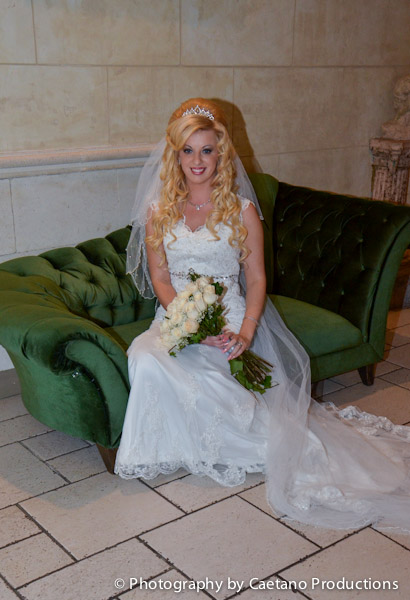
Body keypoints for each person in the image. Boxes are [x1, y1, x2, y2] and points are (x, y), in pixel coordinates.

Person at [115, 98, 410, 533]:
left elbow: (255, 279)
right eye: (188, 150)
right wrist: (186, 322)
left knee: (219, 378)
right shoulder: (158, 211)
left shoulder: (241, 210)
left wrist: (246, 330)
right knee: (144, 356)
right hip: (176, 317)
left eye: (207, 150)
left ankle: (242, 441)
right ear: (174, 155)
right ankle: (161, 448)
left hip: (231, 320)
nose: (197, 161)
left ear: (221, 153)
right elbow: (160, 277)